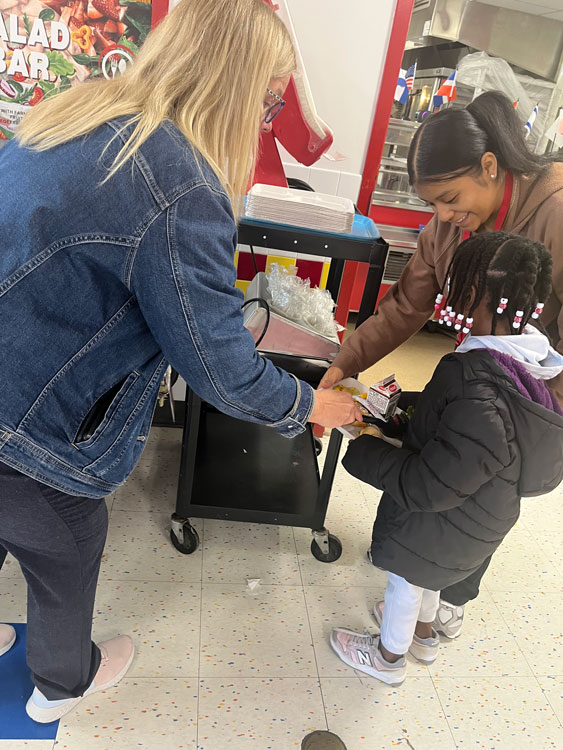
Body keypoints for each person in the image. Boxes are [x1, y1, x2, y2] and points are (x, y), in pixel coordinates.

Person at [0, 0, 361, 724]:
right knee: (69, 546)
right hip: (33, 424)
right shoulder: (181, 183)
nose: (267, 122)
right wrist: (311, 404)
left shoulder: (76, 110)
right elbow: (218, 366)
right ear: (235, 84)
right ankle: (60, 687)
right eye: (269, 101)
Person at [320, 90, 563, 636]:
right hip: (477, 380)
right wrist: (344, 364)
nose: (445, 216)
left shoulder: (556, 211)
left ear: (490, 166)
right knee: (447, 482)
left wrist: (541, 420)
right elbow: (404, 306)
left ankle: (451, 598)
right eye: (432, 205)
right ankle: (423, 580)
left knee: (487, 500)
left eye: (450, 198)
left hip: (532, 398)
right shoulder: (448, 229)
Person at [329, 232, 563, 685]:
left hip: (441, 516)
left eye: (458, 287)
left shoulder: (473, 379)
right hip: (481, 518)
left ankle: (388, 658)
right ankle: (424, 636)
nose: (450, 296)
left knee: (405, 580)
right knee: (431, 577)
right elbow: (470, 433)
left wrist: (366, 451)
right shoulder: (534, 366)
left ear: (476, 295)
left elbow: (429, 486)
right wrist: (405, 412)